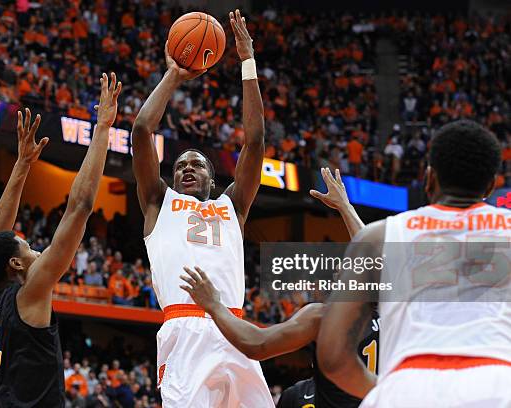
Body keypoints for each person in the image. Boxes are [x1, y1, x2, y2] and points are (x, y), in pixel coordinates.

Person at [131, 9, 273, 407]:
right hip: (184, 328)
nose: (187, 168)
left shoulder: (233, 205)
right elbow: (142, 131)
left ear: (213, 180)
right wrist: (174, 75)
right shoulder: (159, 203)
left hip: (235, 328)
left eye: (196, 164)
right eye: (179, 166)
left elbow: (256, 141)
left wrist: (247, 61)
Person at [317, 120, 511, 407]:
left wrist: (387, 391)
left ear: (429, 178)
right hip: (497, 384)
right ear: (491, 185)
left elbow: (332, 357)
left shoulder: (380, 235)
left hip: (408, 385)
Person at [0, 73, 122, 407]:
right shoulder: (29, 294)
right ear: (15, 264)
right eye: (28, 246)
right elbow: (79, 207)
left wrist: (22, 165)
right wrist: (102, 127)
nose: (36, 248)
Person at [181, 168, 379, 407]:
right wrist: (345, 208)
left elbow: (256, 344)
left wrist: (214, 305)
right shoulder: (390, 313)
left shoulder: (323, 317)